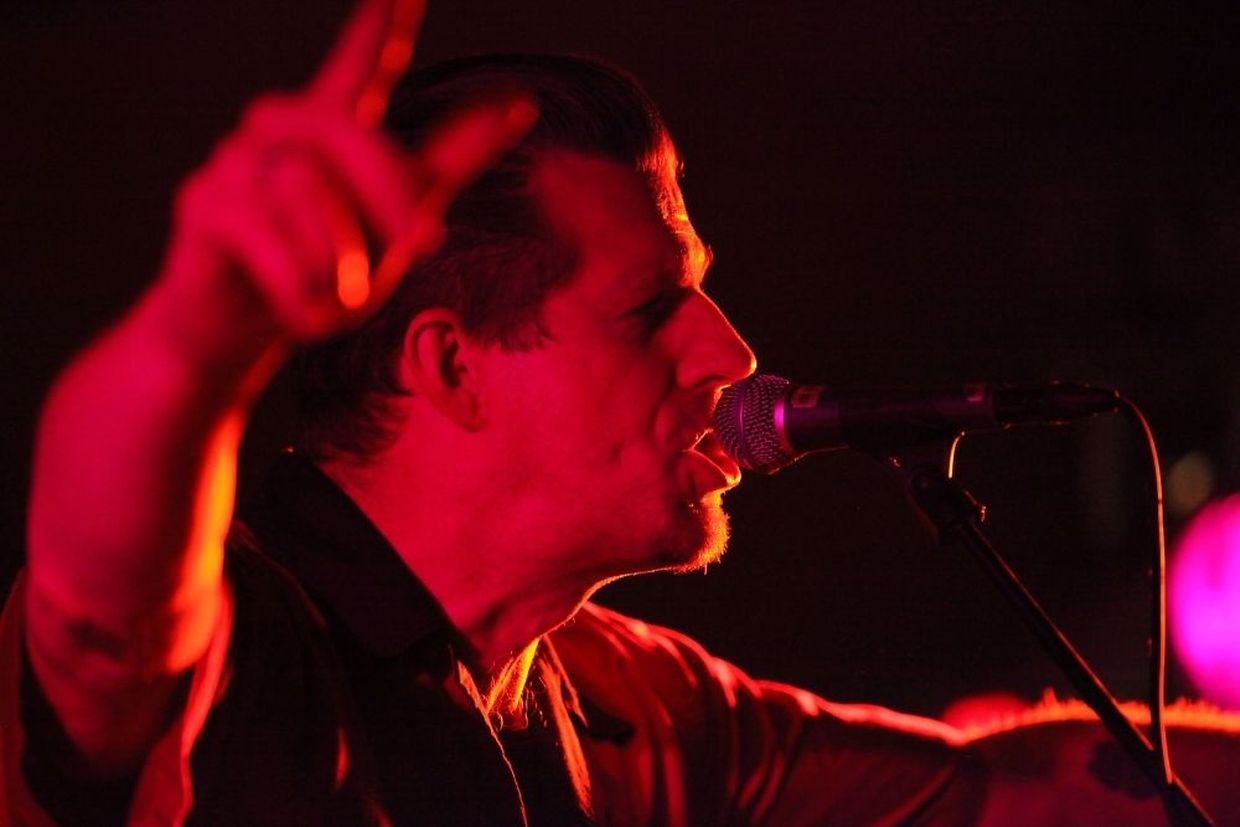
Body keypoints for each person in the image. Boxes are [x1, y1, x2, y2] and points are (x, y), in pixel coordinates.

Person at [3, 1, 1237, 824]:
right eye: (652, 309)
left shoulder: (631, 702)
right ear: (453, 365)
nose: (731, 351)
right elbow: (105, 608)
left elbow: (1000, 792)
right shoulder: (247, 645)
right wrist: (194, 340)